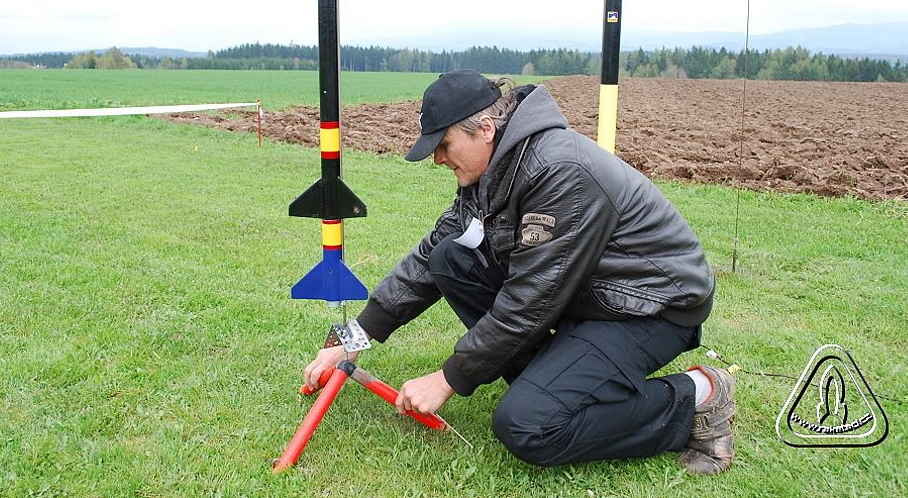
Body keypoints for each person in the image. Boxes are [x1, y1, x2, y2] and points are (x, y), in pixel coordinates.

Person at [303, 70, 736, 474]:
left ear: (485, 130)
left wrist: (449, 378)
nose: (437, 158)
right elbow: (431, 256)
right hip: (585, 297)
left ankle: (699, 396)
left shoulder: (559, 172)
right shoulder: (489, 170)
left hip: (646, 307)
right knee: (449, 258)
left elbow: (529, 302)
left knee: (528, 425)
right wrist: (354, 338)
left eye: (444, 144)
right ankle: (550, 379)